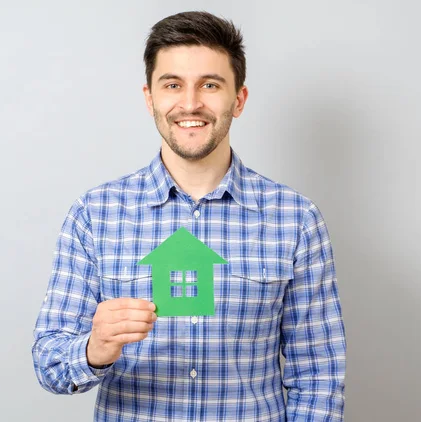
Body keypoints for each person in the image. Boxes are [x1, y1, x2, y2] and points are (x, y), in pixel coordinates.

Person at [32, 10, 346, 421]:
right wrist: (94, 349)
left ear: (239, 99)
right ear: (150, 98)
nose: (190, 103)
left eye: (210, 85)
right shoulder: (95, 215)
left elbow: (318, 376)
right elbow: (49, 362)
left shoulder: (296, 220)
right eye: (173, 85)